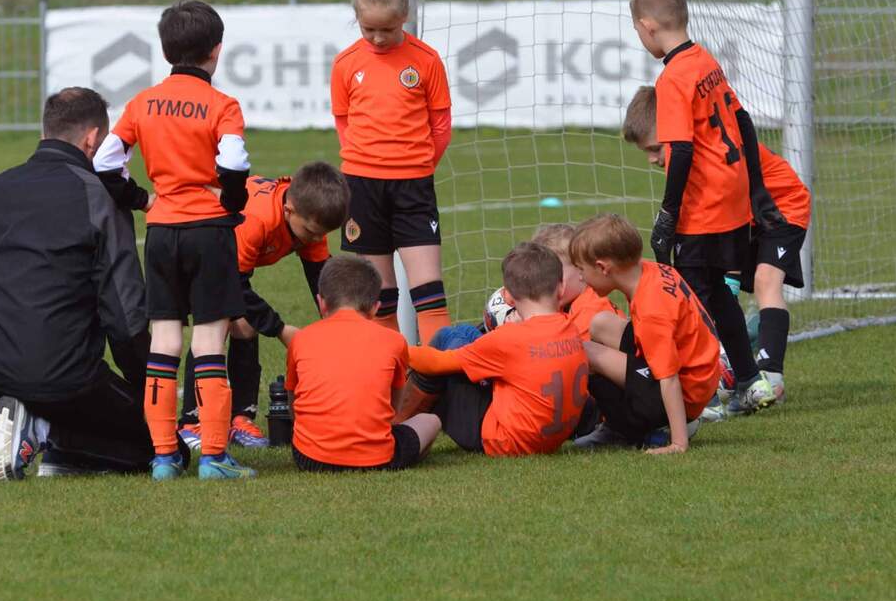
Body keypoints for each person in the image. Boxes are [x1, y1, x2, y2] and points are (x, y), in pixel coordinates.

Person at [0, 88, 176, 481]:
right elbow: (126, 319)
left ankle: (52, 437)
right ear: (92, 139)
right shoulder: (98, 195)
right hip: (60, 375)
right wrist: (151, 391)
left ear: (46, 131)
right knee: (164, 446)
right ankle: (47, 429)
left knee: (71, 385)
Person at [93, 0, 255, 480]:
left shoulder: (142, 103)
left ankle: (164, 456)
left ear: (166, 51)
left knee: (164, 341)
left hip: (162, 232)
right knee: (209, 343)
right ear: (216, 51)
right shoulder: (223, 105)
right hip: (209, 231)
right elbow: (233, 162)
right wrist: (233, 200)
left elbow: (105, 161)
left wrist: (142, 199)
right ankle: (214, 457)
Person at [630, 0, 782, 416]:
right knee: (719, 295)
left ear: (648, 27)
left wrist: (668, 215)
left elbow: (680, 151)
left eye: (637, 31)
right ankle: (750, 381)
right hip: (732, 202)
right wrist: (755, 189)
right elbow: (744, 121)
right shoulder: (705, 60)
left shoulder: (673, 78)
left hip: (703, 209)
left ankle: (705, 395)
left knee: (693, 303)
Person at [623, 85, 811, 405]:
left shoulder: (702, 155)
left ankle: (770, 377)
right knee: (722, 290)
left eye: (655, 148)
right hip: (740, 216)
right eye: (646, 152)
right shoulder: (683, 158)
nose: (652, 159)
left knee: (766, 281)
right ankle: (742, 358)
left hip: (782, 205)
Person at [178, 163, 349, 452]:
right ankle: (191, 422)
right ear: (289, 210)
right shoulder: (257, 221)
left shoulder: (310, 220)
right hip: (192, 242)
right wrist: (281, 330)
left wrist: (340, 328)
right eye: (310, 232)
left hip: (228, 260)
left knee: (245, 325)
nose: (314, 239)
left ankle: (240, 419)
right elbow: (234, 285)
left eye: (320, 234)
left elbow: (321, 282)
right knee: (216, 325)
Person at [330, 0, 453, 343]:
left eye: (388, 29)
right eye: (369, 29)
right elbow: (343, 121)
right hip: (362, 188)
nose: (379, 38)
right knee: (379, 299)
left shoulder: (426, 60)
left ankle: (439, 373)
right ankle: (393, 374)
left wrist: (417, 164)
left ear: (405, 17)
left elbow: (441, 125)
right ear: (357, 18)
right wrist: (363, 160)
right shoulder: (346, 63)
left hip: (413, 186)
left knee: (429, 294)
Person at [396, 242, 592, 456]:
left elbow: (436, 363)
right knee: (464, 334)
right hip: (550, 435)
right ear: (561, 288)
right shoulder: (570, 327)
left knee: (445, 345)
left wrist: (394, 348)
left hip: (502, 440)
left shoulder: (508, 339)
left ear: (508, 296)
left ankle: (396, 427)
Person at [569, 214, 719, 454]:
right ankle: (648, 421)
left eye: (581, 270)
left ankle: (624, 430)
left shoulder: (652, 311)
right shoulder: (652, 270)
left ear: (602, 267)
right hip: (697, 375)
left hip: (686, 392)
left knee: (585, 352)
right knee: (600, 324)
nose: (580, 277)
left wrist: (678, 444)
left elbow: (669, 378)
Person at [285, 256, 440, 472]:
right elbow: (393, 408)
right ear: (375, 308)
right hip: (376, 458)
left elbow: (293, 402)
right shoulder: (394, 341)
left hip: (308, 457)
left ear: (321, 303)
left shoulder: (300, 339)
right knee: (431, 421)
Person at [530, 222, 624, 338]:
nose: (544, 282)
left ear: (580, 269)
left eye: (553, 272)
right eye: (539, 275)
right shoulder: (566, 302)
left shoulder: (591, 311)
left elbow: (563, 347)